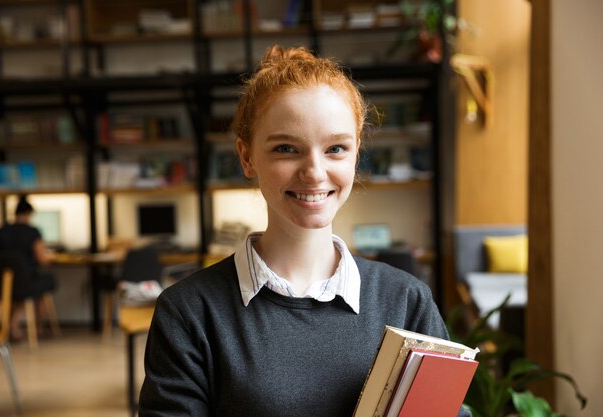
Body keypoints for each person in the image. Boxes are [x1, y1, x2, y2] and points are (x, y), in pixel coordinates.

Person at [139, 45, 471, 417]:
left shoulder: (407, 301)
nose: (314, 172)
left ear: (356, 153)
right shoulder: (189, 312)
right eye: (286, 148)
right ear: (246, 156)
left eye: (335, 148)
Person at [0, 195, 56, 340]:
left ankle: (10, 325)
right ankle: (37, 328)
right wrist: (50, 257)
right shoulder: (32, 232)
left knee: (20, 287)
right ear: (28, 214)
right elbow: (42, 260)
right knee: (43, 283)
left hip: (1, 283)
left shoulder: (1, 230)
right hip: (24, 284)